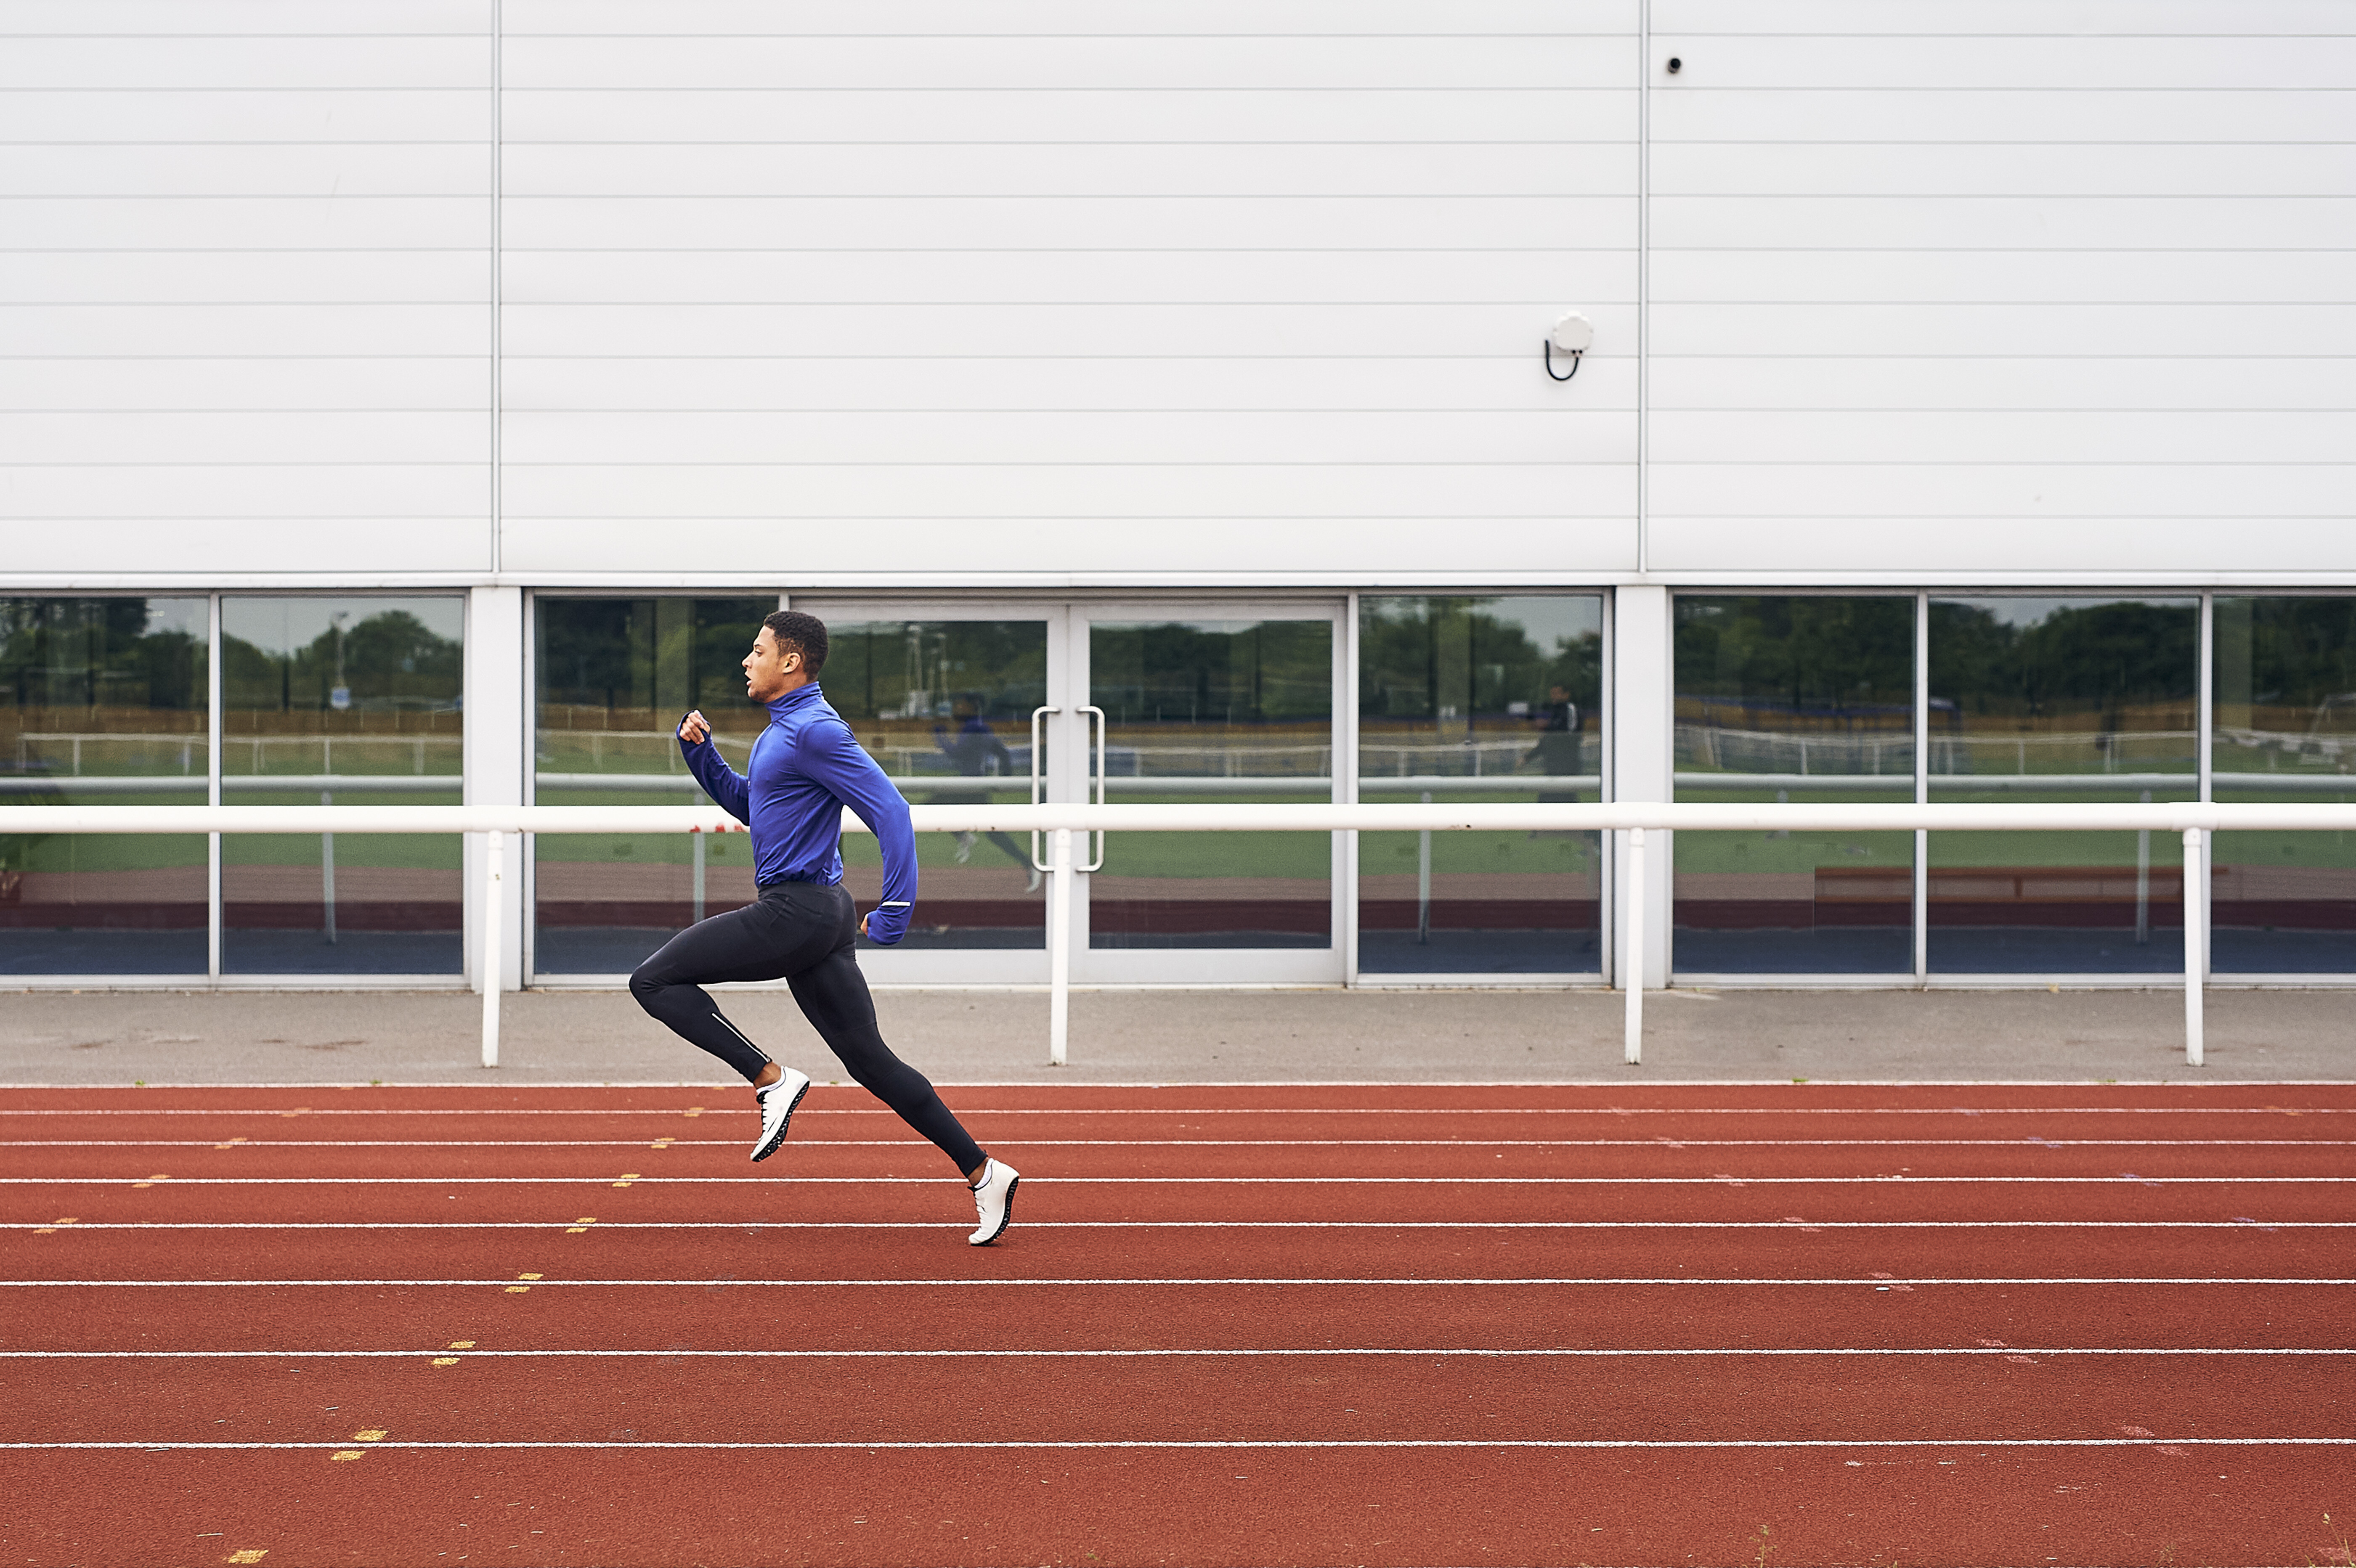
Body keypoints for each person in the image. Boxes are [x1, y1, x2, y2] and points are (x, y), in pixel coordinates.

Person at [628, 610, 1018, 1245]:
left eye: (757, 651)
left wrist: (898, 906)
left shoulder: (814, 730)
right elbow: (755, 808)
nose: (746, 662)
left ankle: (771, 1080)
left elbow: (890, 809)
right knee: (872, 1062)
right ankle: (984, 1172)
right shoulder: (784, 731)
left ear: (791, 662)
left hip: (799, 913)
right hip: (817, 914)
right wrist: (701, 757)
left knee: (653, 981)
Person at [932, 697, 1041, 890]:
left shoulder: (974, 728)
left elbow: (957, 752)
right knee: (992, 832)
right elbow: (1003, 753)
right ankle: (1029, 865)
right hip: (974, 785)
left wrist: (940, 736)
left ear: (972, 709)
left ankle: (963, 835)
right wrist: (1004, 779)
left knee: (930, 808)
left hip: (971, 786)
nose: (956, 711)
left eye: (960, 707)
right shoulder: (980, 727)